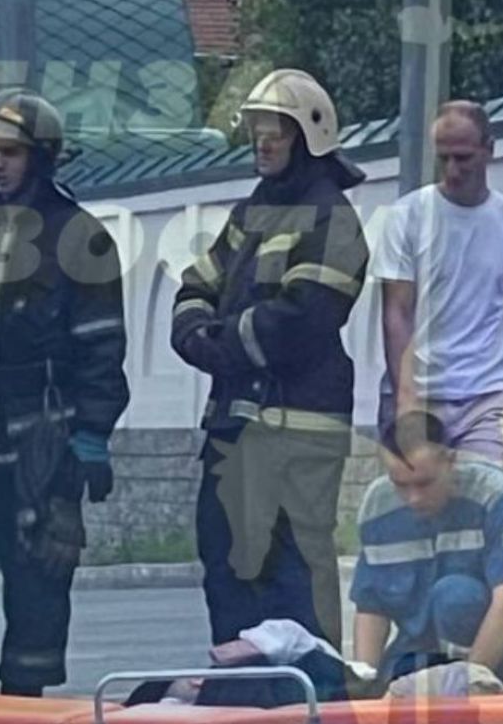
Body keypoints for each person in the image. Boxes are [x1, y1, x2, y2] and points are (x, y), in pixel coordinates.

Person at [0, 88, 129, 696]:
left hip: (43, 440)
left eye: (10, 152)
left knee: (37, 595)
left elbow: (102, 349)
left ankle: (24, 707)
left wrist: (90, 439)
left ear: (41, 156)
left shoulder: (80, 236)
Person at [171, 69, 369, 649]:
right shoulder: (250, 212)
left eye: (275, 129)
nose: (261, 140)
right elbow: (194, 289)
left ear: (310, 135)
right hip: (236, 425)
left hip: (296, 429)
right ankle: (241, 688)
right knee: (227, 564)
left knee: (292, 574)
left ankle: (311, 687)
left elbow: (303, 319)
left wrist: (216, 343)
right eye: (256, 127)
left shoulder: (332, 217)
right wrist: (199, 333)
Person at [373, 100, 503, 472]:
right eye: (443, 158)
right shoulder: (407, 217)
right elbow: (396, 312)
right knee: (420, 502)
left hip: (485, 395)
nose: (452, 170)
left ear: (489, 150)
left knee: (489, 494)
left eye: (463, 158)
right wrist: (406, 402)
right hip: (421, 391)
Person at [350, 410, 503, 694]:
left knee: (455, 597)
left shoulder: (496, 496)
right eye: (401, 485)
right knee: (384, 686)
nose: (414, 498)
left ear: (451, 461)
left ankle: (481, 686)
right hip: (424, 642)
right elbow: (371, 608)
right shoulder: (377, 507)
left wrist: (466, 687)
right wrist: (364, 682)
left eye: (424, 483)